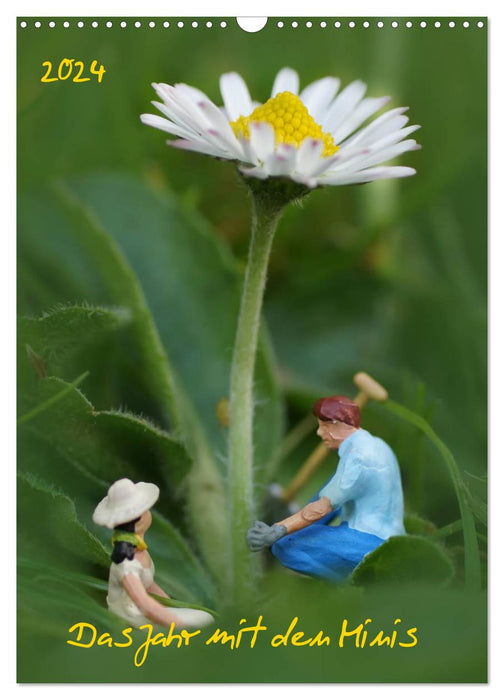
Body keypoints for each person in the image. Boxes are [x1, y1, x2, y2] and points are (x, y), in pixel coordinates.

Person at [246, 395, 405, 581]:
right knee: (332, 484)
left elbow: (322, 507)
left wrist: (276, 531)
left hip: (372, 542)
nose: (320, 433)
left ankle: (348, 585)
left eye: (324, 426)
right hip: (390, 533)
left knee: (283, 546)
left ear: (338, 425)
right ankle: (298, 526)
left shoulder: (356, 460)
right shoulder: (377, 444)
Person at [93, 478, 214, 628]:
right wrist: (176, 622)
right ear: (138, 521)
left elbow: (150, 586)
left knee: (200, 616)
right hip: (130, 616)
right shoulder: (128, 565)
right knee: (204, 620)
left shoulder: (139, 552)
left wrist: (172, 606)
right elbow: (143, 603)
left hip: (141, 610)